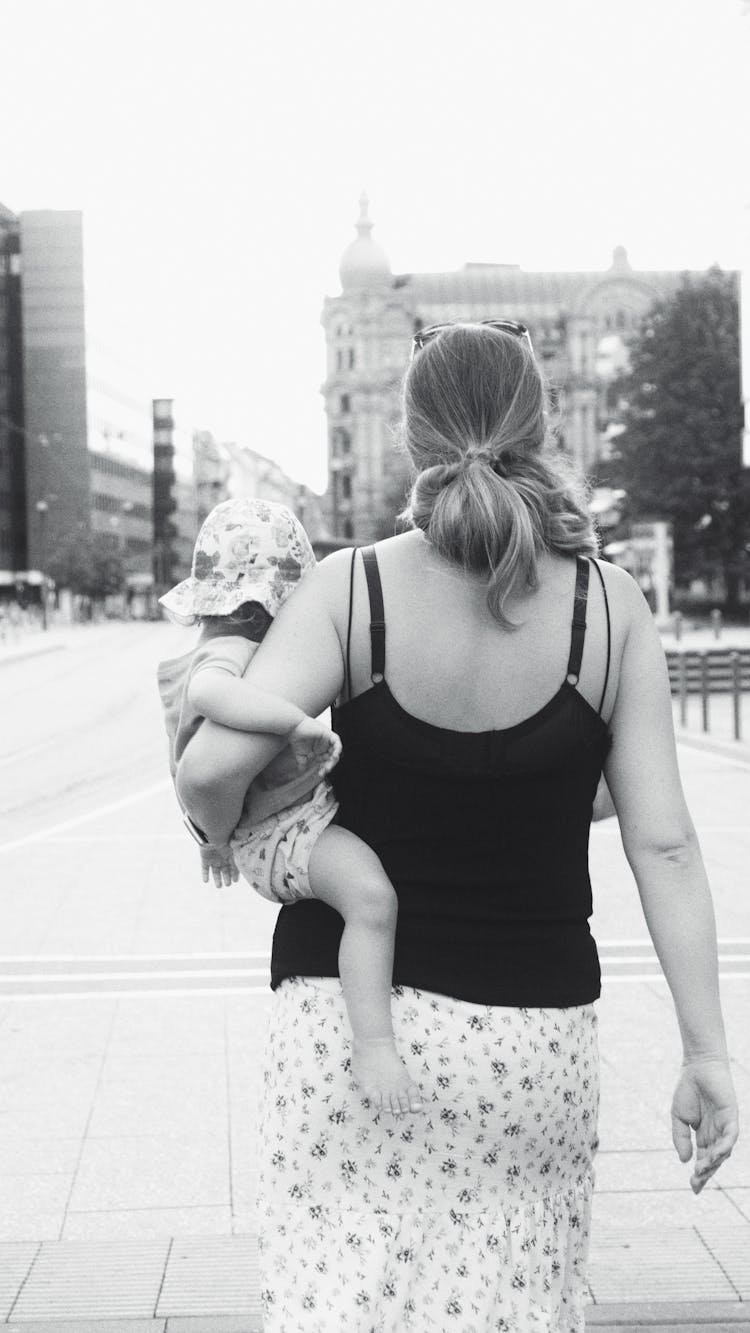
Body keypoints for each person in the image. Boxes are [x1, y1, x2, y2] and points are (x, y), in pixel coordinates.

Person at [177, 322, 739, 1332]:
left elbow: (214, 769)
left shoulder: (352, 590)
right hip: (532, 1045)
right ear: (545, 427)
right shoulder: (607, 608)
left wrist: (225, 834)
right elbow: (664, 843)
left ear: (412, 437)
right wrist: (708, 1055)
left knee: (343, 1301)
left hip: (348, 1034)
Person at [157, 496, 423, 1116]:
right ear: (259, 609)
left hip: (277, 823)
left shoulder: (234, 640)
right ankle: (375, 1045)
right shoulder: (231, 651)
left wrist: (213, 840)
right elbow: (209, 691)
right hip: (284, 832)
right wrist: (295, 721)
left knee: (370, 896)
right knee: (373, 901)